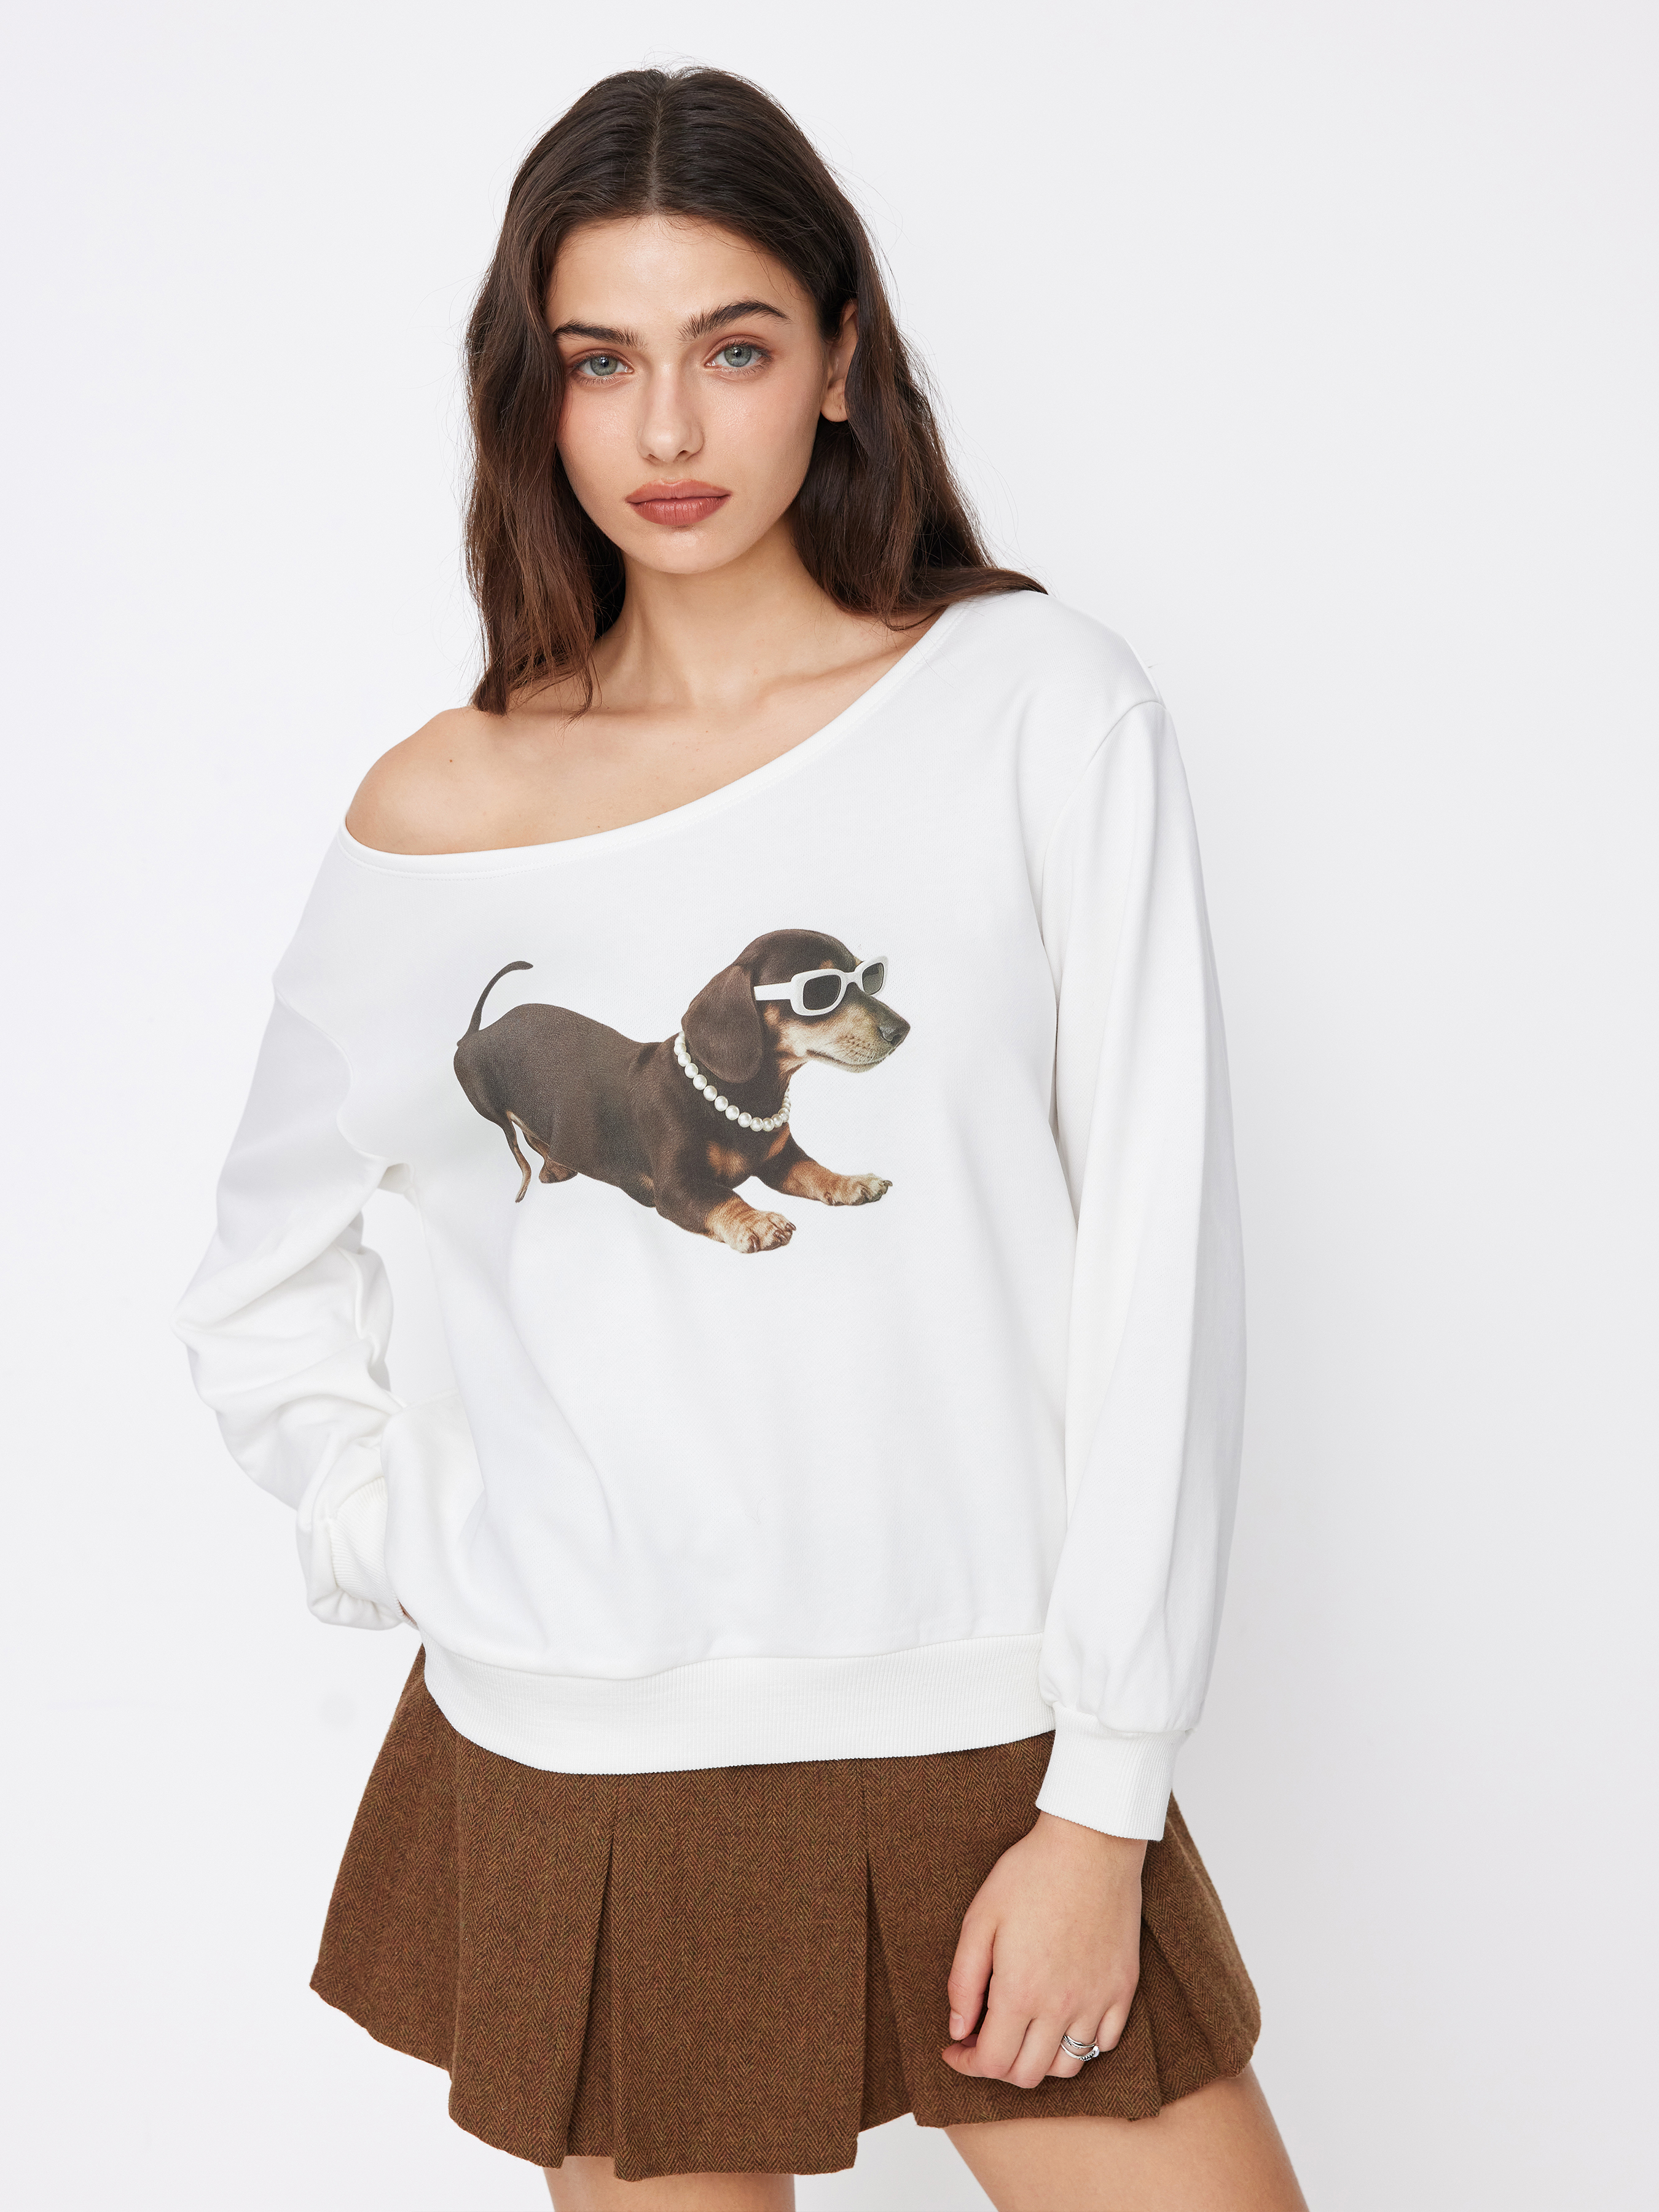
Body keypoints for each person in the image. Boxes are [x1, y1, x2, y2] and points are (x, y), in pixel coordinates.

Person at [176, 65, 1306, 2212]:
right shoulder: (445, 807)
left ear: (843, 362)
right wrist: (409, 1529)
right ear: (534, 393)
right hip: (583, 1742)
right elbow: (261, 1282)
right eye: (602, 360)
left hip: (990, 1725)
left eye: (736, 348)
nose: (669, 430)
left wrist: (1105, 1789)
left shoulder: (1036, 709)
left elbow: (1159, 1256)